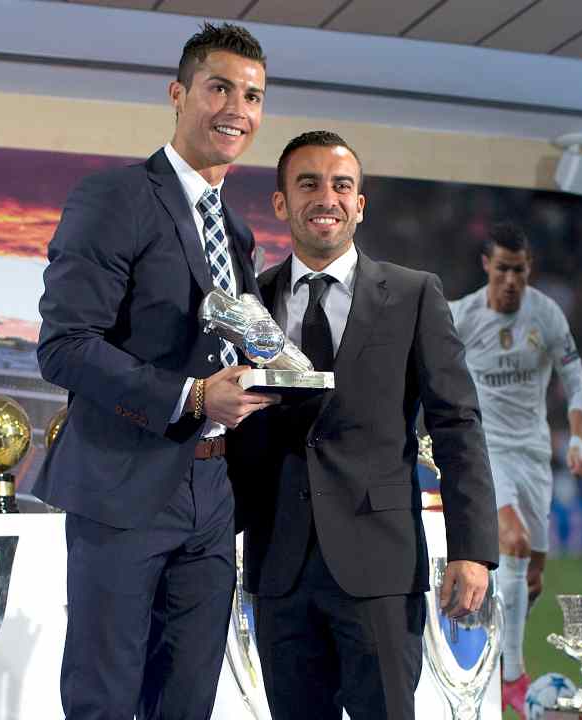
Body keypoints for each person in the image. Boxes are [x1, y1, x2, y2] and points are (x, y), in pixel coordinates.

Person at [33, 23, 278, 720]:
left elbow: (240, 346)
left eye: (253, 96)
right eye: (220, 87)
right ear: (178, 94)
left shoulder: (236, 232)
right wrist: (194, 395)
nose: (237, 108)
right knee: (105, 698)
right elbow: (65, 346)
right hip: (123, 487)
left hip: (213, 492)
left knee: (188, 703)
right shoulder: (115, 197)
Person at [229, 130, 498, 720]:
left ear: (359, 204)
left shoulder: (412, 294)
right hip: (279, 565)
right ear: (281, 203)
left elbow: (457, 425)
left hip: (380, 566)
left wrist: (472, 549)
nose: (326, 197)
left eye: (341, 185)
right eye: (308, 184)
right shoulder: (251, 300)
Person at [448, 222, 582, 718]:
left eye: (521, 270)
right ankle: (513, 678)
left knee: (531, 577)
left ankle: (496, 644)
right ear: (488, 266)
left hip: (534, 453)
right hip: (486, 449)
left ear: (529, 269)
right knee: (512, 541)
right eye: (503, 268)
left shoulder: (546, 315)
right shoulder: (461, 316)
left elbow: (576, 382)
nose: (512, 279)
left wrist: (575, 439)